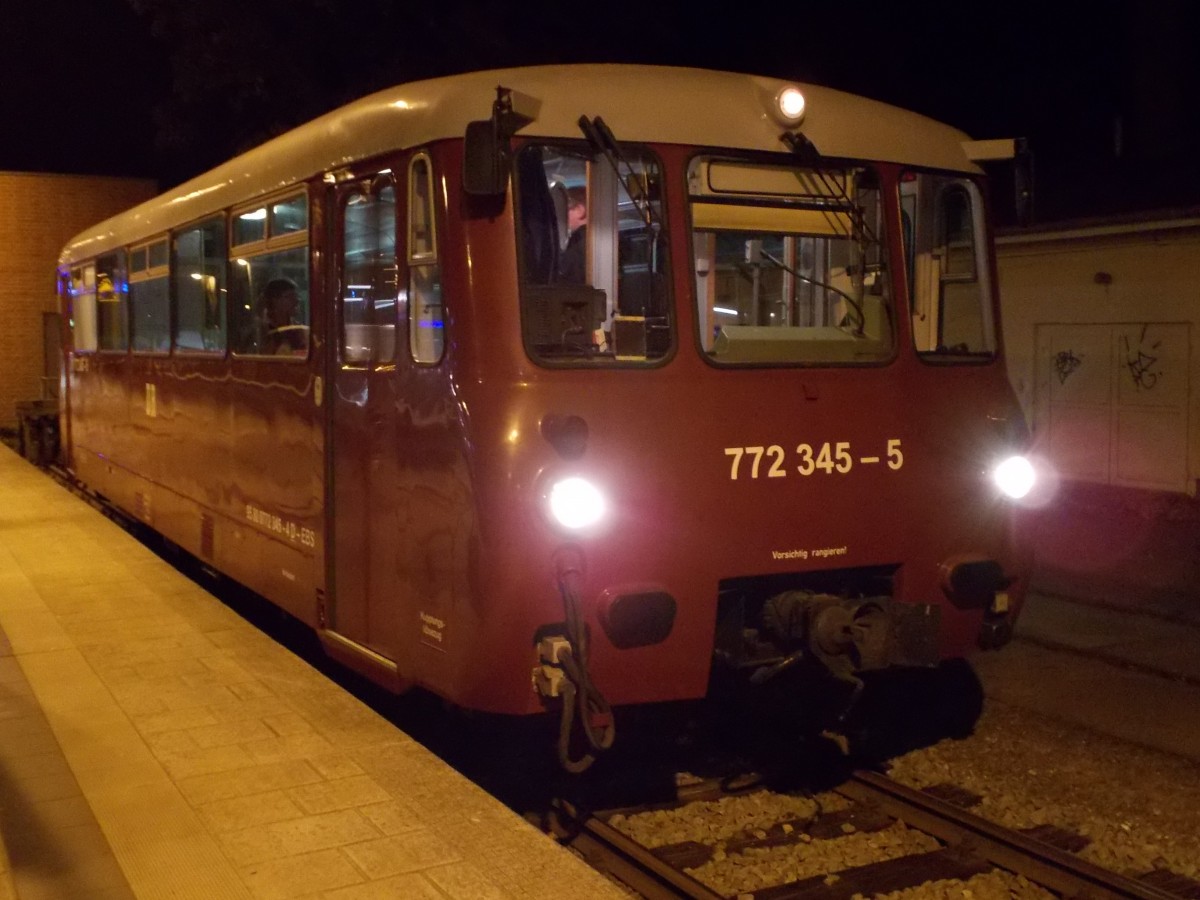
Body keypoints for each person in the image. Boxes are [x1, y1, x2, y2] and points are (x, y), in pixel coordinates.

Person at [258, 277, 307, 355]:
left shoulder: (299, 330)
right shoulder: (260, 330)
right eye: (290, 296)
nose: (296, 300)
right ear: (274, 300)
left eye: (296, 296)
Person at [558, 187, 587, 283]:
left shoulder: (578, 243)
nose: (561, 216)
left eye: (564, 210)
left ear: (579, 210)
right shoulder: (595, 239)